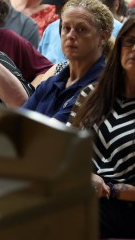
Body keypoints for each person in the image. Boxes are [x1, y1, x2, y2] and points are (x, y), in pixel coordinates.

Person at [68, 17, 135, 238]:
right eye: (130, 41)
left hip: (122, 208)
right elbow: (64, 149)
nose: (134, 49)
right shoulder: (91, 94)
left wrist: (108, 189)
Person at [22, 0, 113, 122]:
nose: (70, 36)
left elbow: (50, 133)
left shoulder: (102, 85)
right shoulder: (51, 83)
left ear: (102, 37)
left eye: (81, 29)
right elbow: (17, 121)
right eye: (66, 28)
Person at [37, 0, 107, 64]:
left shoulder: (113, 30)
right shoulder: (50, 30)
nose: (56, 11)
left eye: (63, 3)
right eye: (55, 4)